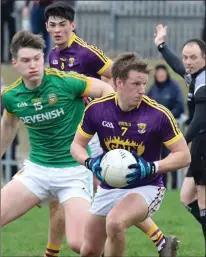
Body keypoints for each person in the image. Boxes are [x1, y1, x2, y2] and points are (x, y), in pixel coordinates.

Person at [43, 3, 179, 256]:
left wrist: (106, 106)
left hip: (96, 130)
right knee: (101, 191)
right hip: (73, 130)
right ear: (47, 28)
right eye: (52, 25)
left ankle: (60, 250)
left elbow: (116, 74)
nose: (57, 30)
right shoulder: (52, 56)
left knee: (111, 186)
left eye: (63, 24)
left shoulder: (86, 53)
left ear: (73, 26)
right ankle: (160, 240)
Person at [0, 30, 114, 256]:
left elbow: (106, 90)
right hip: (36, 172)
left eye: (36, 59)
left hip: (73, 173)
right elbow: (8, 126)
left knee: (80, 245)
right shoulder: (12, 96)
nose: (33, 65)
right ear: (15, 63)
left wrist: (99, 120)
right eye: (25, 60)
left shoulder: (65, 82)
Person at [70, 52, 191, 257]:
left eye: (144, 84)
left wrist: (152, 166)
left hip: (147, 186)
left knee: (116, 222)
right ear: (119, 82)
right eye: (136, 84)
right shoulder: (97, 109)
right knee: (88, 251)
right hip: (109, 186)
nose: (142, 90)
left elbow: (183, 155)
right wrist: (90, 163)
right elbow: (76, 146)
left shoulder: (158, 115)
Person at [154, 24, 206, 254]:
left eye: (193, 57)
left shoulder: (204, 82)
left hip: (204, 144)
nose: (188, 61)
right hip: (200, 144)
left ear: (204, 58)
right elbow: (176, 66)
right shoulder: (194, 76)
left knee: (203, 202)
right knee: (186, 197)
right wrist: (162, 45)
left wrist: (179, 144)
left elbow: (200, 120)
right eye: (186, 57)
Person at [148, 64, 185, 188]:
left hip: (170, 129)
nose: (160, 76)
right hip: (155, 130)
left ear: (166, 74)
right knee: (159, 157)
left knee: (172, 155)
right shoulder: (152, 89)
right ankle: (161, 184)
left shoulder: (174, 87)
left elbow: (180, 106)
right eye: (158, 74)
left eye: (162, 73)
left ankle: (174, 185)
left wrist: (165, 116)